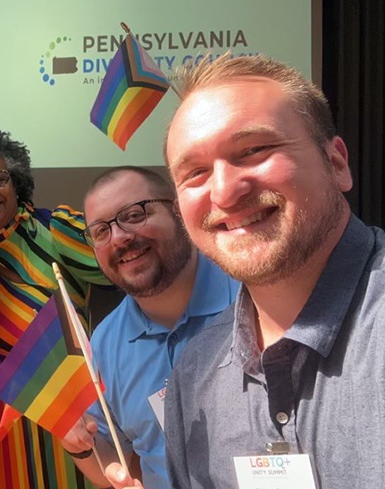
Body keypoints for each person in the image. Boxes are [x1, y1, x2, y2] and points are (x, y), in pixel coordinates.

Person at [163, 53, 385, 488]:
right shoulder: (193, 375)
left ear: (337, 163)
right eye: (195, 173)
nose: (224, 192)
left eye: (253, 150)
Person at [0, 124, 111, 488]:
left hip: (71, 407)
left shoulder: (55, 229)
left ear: (16, 182)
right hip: (2, 424)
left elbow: (127, 269)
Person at [59, 167, 238, 489]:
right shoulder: (105, 344)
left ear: (177, 211)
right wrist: (78, 445)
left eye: (134, 214)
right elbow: (111, 463)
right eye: (101, 231)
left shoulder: (255, 296)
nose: (120, 237)